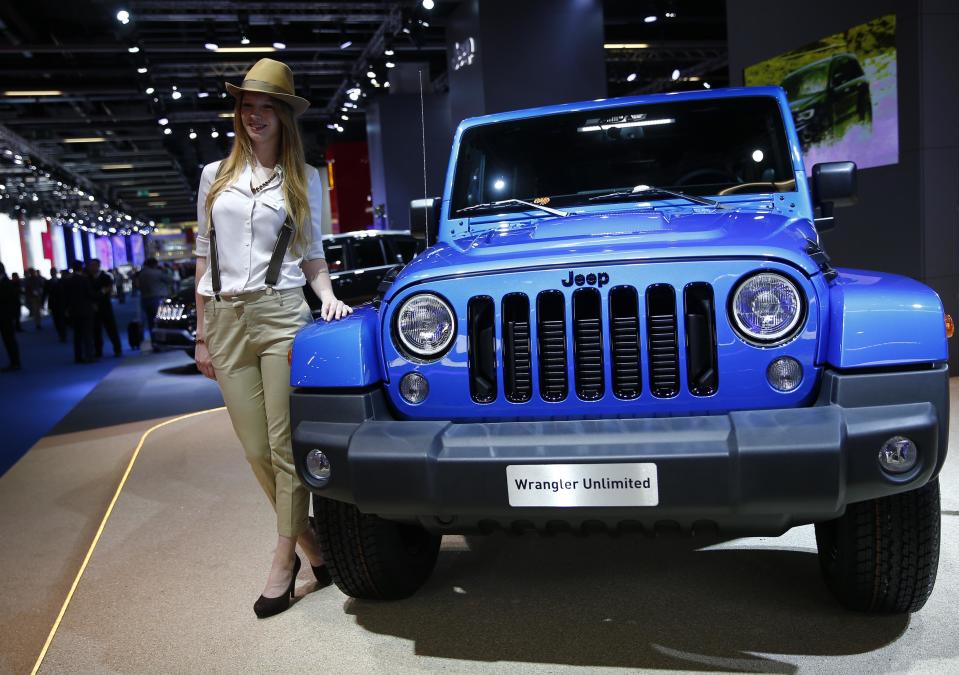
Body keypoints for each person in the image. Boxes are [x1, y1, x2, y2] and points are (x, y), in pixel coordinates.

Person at [194, 58, 351, 619]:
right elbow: (204, 259)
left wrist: (326, 294)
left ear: (284, 116)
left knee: (283, 448)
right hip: (226, 322)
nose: (253, 115)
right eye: (246, 106)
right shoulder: (214, 176)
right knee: (256, 450)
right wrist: (202, 335)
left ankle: (283, 561)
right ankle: (316, 547)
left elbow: (312, 254)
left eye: (265, 107)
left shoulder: (305, 178)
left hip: (283, 314)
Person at [87, 259, 122, 358]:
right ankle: (98, 351)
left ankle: (117, 349)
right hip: (94, 308)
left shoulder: (106, 277)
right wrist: (100, 293)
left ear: (98, 266)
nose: (92, 267)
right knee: (96, 331)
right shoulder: (87, 278)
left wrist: (100, 294)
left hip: (105, 307)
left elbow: (108, 290)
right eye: (91, 265)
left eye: (94, 265)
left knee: (111, 329)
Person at [63, 260, 97, 363]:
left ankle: (78, 357)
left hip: (74, 311)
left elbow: (66, 297)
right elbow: (90, 294)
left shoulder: (68, 281)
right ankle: (89, 356)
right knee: (87, 334)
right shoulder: (84, 279)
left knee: (77, 335)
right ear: (81, 268)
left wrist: (67, 309)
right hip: (86, 310)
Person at [137, 258, 171, 340]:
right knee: (160, 320)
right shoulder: (157, 272)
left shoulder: (141, 273)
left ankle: (153, 339)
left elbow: (138, 285)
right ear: (154, 264)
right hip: (157, 298)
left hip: (145, 299)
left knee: (150, 321)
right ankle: (162, 339)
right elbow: (170, 280)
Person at [0, 263, 22, 372]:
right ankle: (14, 362)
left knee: (9, 340)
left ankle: (15, 362)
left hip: (6, 317)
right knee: (8, 340)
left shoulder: (6, 283)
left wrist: (14, 316)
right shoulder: (6, 282)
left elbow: (13, 301)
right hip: (5, 316)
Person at [45, 268, 69, 342]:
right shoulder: (48, 282)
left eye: (53, 272)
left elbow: (65, 293)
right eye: (51, 272)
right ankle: (61, 334)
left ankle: (63, 335)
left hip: (61, 303)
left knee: (61, 320)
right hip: (53, 304)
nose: (52, 273)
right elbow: (45, 293)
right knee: (56, 321)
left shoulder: (61, 281)